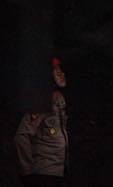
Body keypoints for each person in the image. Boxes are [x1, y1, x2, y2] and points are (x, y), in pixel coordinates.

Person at [15, 57, 69, 187]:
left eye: (61, 71)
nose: (62, 74)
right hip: (43, 175)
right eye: (56, 71)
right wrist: (28, 172)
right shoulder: (42, 103)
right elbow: (21, 136)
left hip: (57, 173)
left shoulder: (58, 102)